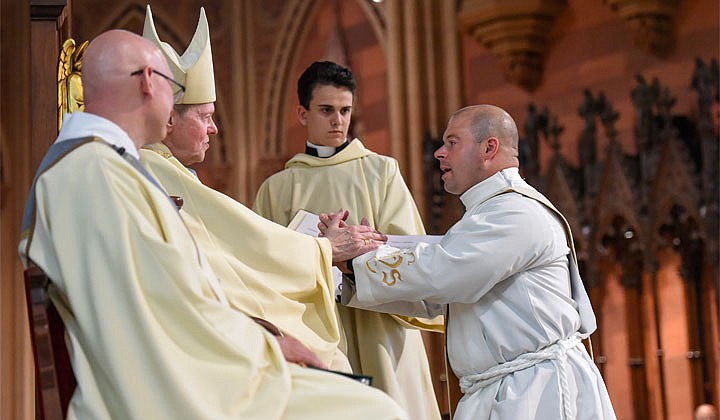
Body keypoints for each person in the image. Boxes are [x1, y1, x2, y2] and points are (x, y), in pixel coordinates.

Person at [18, 29, 405, 420]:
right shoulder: (97, 173)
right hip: (170, 391)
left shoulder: (99, 168)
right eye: (177, 90)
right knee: (373, 410)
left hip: (180, 371)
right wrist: (265, 346)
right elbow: (163, 309)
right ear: (150, 83)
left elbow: (167, 293)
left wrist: (262, 342)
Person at [319, 104, 617, 419]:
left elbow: (445, 273)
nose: (438, 153)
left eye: (452, 142)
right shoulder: (485, 214)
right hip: (508, 389)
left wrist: (358, 257)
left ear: (489, 148)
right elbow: (438, 298)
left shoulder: (514, 212)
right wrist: (352, 272)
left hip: (537, 394)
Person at [139, 5, 356, 371]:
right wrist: (323, 250)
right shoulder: (155, 169)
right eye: (206, 117)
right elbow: (244, 243)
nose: (214, 129)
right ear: (170, 118)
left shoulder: (166, 169)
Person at [253, 61, 443, 420]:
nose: (338, 121)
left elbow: (409, 251)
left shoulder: (381, 171)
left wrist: (356, 260)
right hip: (317, 332)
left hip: (381, 327)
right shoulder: (275, 189)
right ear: (302, 113)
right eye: (326, 111)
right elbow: (264, 269)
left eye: (345, 111)